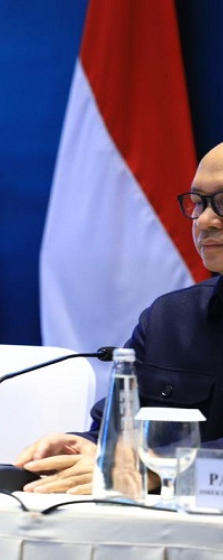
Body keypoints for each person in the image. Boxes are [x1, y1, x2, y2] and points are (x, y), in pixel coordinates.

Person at [15, 142, 223, 493]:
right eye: (199, 203)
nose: (204, 220)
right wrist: (91, 446)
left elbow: (145, 466)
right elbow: (117, 430)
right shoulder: (170, 319)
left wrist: (159, 470)